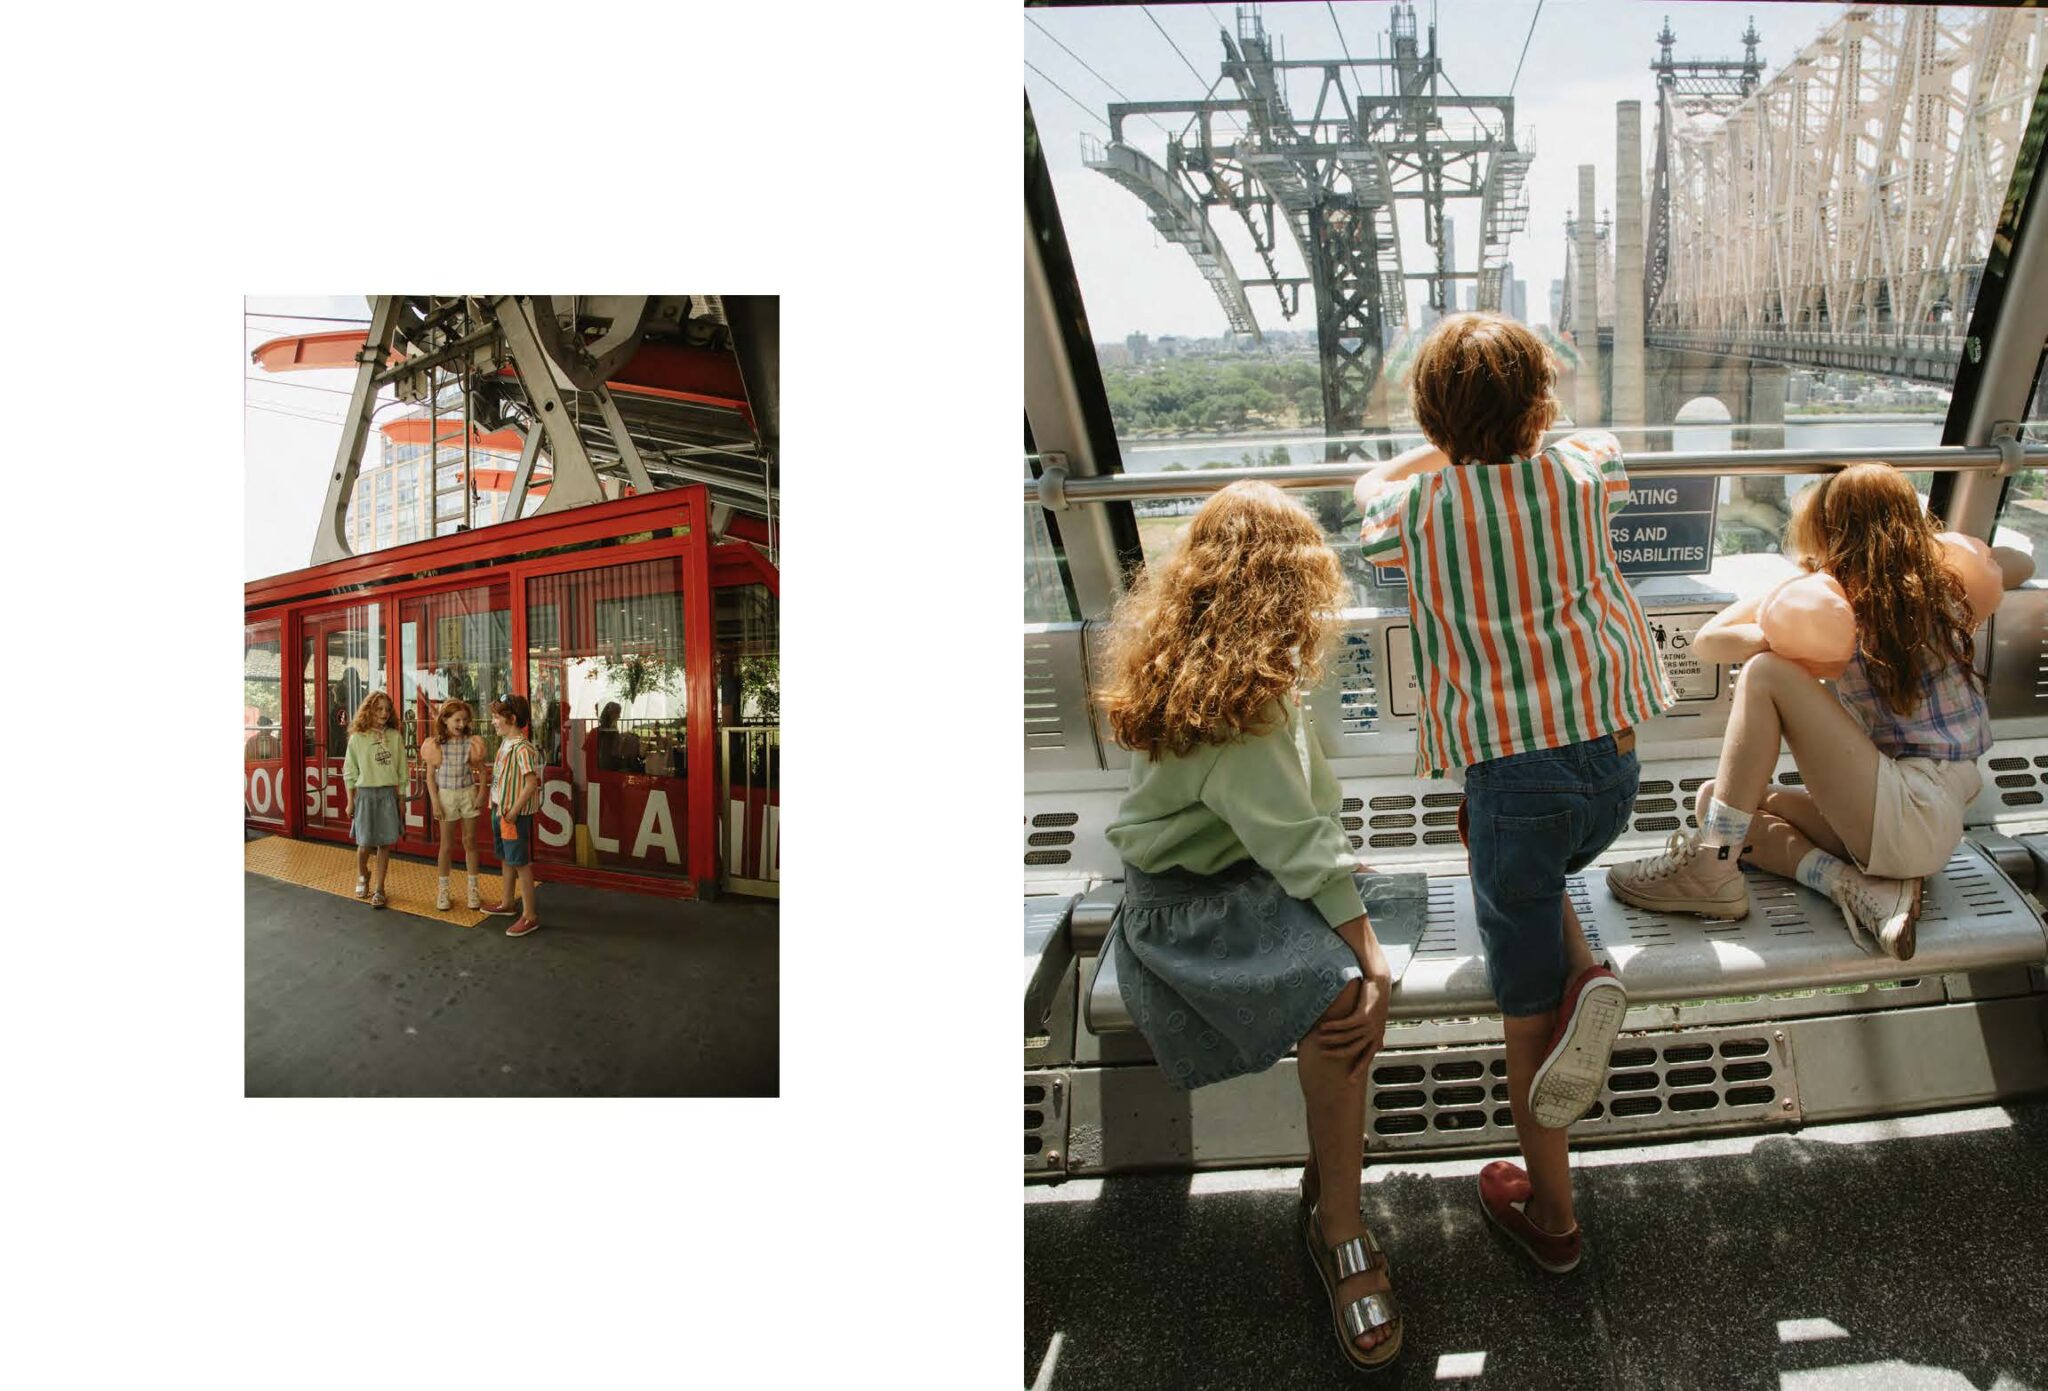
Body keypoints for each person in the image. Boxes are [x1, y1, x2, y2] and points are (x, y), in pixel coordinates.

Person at [1352, 311, 1674, 1277]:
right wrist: (1515, 434)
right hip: (1612, 771)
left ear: (1429, 418)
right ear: (1542, 402)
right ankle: (1590, 968)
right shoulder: (1583, 473)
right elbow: (1595, 441)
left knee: (1524, 1013)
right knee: (1536, 865)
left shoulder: (1414, 509)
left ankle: (1554, 1217)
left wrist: (1444, 452)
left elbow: (1370, 491)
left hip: (1514, 780)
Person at [1099, 480, 1401, 1372]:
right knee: (1345, 993)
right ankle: (1337, 1218)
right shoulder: (1247, 701)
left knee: (1348, 961)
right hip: (1193, 909)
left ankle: (1332, 1172)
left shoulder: (1203, 666)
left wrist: (1334, 875)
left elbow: (1293, 819)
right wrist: (1367, 949)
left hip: (1228, 877)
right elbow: (1295, 837)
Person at [1607, 463, 1993, 960]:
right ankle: (1850, 886)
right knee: (1715, 804)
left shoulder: (1837, 603)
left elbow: (1709, 642)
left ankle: (1711, 868)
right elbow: (2011, 569)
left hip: (1910, 810)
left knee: (1766, 671)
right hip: (1933, 817)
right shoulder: (1945, 588)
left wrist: (1784, 632)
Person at [479, 694, 546, 937]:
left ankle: (530, 915)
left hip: (511, 814)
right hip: (501, 810)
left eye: (497, 717)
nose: (493, 721)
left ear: (512, 719)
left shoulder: (522, 748)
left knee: (520, 862)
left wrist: (514, 810)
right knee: (507, 858)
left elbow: (531, 783)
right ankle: (507, 902)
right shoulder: (507, 743)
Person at [342, 691, 407, 909]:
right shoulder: (357, 738)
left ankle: (380, 889)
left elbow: (402, 770)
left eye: (387, 709)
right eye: (379, 709)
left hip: (388, 794)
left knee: (385, 844)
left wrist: (402, 799)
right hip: (366, 794)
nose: (384, 713)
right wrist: (350, 801)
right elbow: (349, 771)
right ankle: (363, 873)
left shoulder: (395, 737)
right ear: (368, 710)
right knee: (364, 844)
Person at [422, 698, 488, 911]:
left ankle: (473, 889)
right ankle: (443, 891)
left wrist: (481, 793)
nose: (461, 724)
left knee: (470, 841)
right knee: (446, 845)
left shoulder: (472, 742)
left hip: (468, 792)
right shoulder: (436, 744)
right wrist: (435, 802)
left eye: (465, 720)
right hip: (446, 796)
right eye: (457, 720)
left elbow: (483, 770)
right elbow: (430, 777)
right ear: (445, 720)